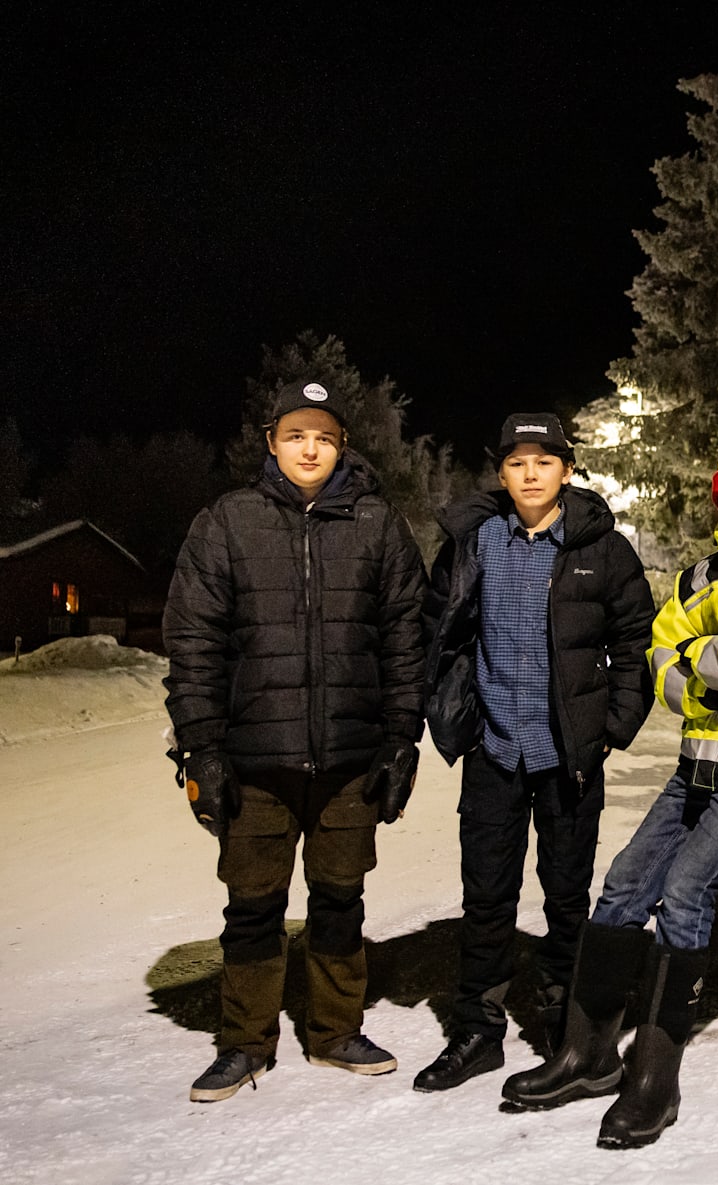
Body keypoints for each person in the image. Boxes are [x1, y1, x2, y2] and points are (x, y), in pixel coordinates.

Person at [501, 445, 718, 1151]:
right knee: (622, 884)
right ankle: (587, 1054)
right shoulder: (705, 571)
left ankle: (654, 1080)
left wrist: (708, 664)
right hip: (701, 760)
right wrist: (717, 672)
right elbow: (661, 652)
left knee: (685, 891)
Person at [164, 380, 427, 1103]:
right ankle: (245, 1042)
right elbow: (193, 643)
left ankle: (335, 1030)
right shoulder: (227, 523)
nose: (310, 448)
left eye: (325, 436)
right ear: (272, 442)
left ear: (341, 445)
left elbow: (407, 637)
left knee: (341, 895)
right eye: (296, 435)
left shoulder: (376, 524)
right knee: (253, 903)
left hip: (350, 758)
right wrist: (202, 748)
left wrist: (402, 735)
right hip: (254, 760)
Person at [411, 413, 655, 1093]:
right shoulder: (475, 540)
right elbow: (440, 630)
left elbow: (637, 636)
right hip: (494, 746)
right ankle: (478, 1029)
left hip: (568, 751)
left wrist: (613, 723)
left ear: (566, 471)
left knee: (567, 895)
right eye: (516, 463)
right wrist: (448, 708)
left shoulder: (600, 547)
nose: (529, 474)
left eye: (543, 462)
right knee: (486, 895)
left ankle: (567, 1025)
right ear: (501, 474)